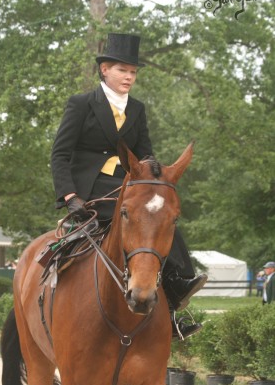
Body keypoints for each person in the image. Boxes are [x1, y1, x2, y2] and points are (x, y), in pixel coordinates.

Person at [51, 33, 207, 338]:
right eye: (123, 70)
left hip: (129, 187)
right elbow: (60, 154)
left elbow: (146, 152)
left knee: (161, 218)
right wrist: (69, 195)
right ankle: (53, 300)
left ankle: (176, 298)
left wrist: (156, 183)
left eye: (133, 72)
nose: (129, 77)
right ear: (104, 70)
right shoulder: (81, 104)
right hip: (91, 190)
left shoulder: (137, 108)